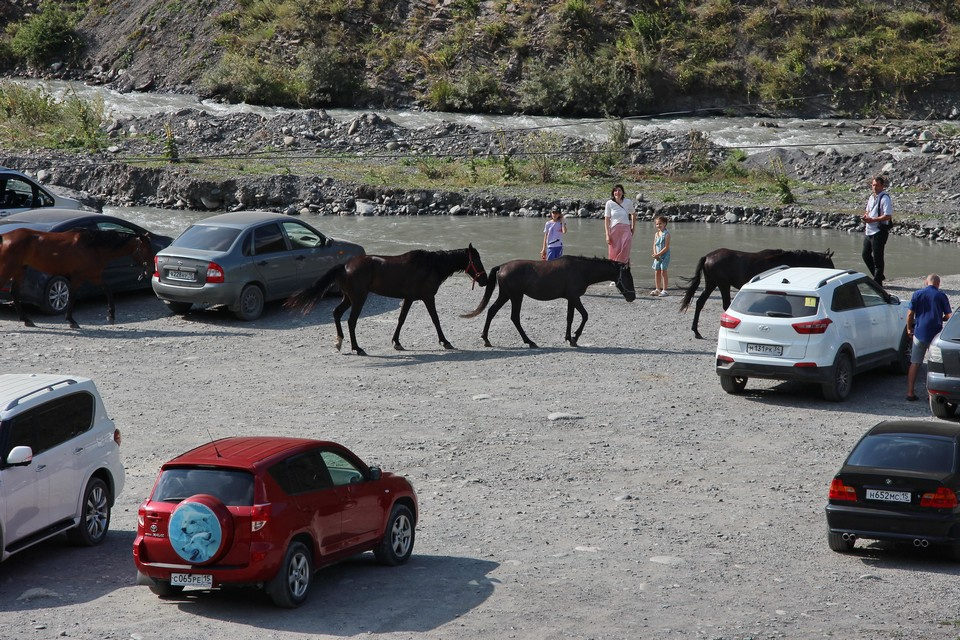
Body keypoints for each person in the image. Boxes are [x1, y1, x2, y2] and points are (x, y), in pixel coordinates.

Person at [906, 273, 952, 401]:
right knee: (933, 365)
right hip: (935, 335)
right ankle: (931, 395)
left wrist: (909, 328)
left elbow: (910, 314)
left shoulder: (917, 294)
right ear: (938, 284)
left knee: (915, 363)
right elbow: (949, 315)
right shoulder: (941, 296)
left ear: (926, 282)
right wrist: (941, 317)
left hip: (919, 333)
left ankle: (910, 392)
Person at [861, 175, 893, 285]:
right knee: (865, 255)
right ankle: (879, 275)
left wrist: (872, 219)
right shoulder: (871, 197)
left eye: (877, 185)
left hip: (879, 231)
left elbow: (888, 215)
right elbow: (868, 210)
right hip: (869, 230)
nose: (875, 187)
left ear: (882, 186)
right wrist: (865, 217)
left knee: (878, 258)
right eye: (873, 185)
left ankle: (878, 282)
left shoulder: (885, 198)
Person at [604, 184, 636, 265]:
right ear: (613, 193)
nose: (617, 192)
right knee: (613, 253)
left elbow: (633, 214)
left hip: (626, 230)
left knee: (625, 251)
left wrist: (633, 227)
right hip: (614, 230)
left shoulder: (627, 202)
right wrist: (607, 235)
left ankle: (624, 271)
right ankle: (613, 272)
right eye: (615, 191)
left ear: (622, 192)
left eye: (619, 190)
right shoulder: (609, 203)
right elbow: (607, 220)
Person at [650, 215, 671, 296]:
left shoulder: (666, 234)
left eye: (660, 224)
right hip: (657, 256)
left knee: (663, 271)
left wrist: (658, 254)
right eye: (657, 224)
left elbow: (666, 247)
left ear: (665, 223)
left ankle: (665, 290)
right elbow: (654, 245)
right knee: (657, 271)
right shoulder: (656, 234)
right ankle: (657, 288)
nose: (658, 225)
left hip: (665, 255)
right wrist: (655, 254)